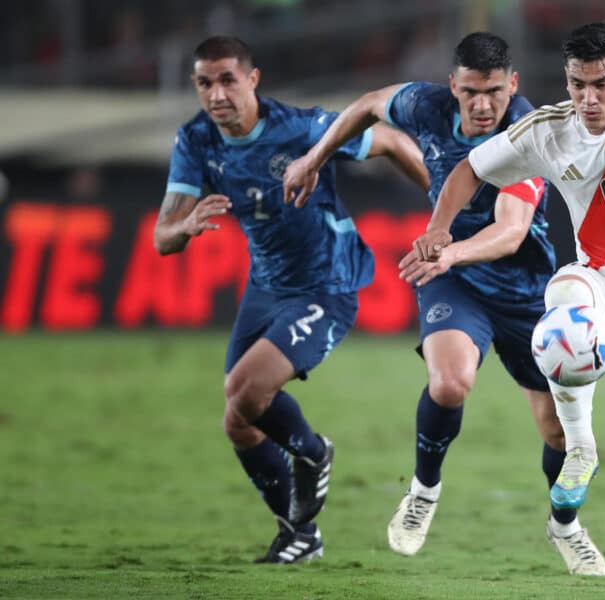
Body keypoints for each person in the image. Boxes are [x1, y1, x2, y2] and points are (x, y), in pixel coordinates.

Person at [410, 21, 605, 599]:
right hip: (602, 284)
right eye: (577, 83)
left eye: (600, 84)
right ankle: (580, 447)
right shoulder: (549, 129)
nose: (588, 98)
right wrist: (437, 229)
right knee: (561, 305)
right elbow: (469, 170)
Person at [282, 32, 605, 576]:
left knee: (557, 431)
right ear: (452, 86)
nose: (483, 105)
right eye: (472, 92)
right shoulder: (423, 103)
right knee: (450, 382)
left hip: (524, 287)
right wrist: (316, 157)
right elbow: (367, 107)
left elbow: (510, 231)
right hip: (455, 279)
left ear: (514, 86)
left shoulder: (529, 131)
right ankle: (423, 491)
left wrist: (450, 250)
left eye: (495, 92)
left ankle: (566, 527)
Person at [153, 36, 427, 564]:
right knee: (238, 420)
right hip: (267, 288)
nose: (216, 94)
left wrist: (444, 206)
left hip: (328, 282)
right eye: (205, 83)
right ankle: (298, 534)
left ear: (252, 80)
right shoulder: (196, 141)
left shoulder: (299, 129)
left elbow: (390, 142)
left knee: (244, 388)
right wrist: (184, 224)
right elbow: (162, 238)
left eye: (227, 79)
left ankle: (313, 452)